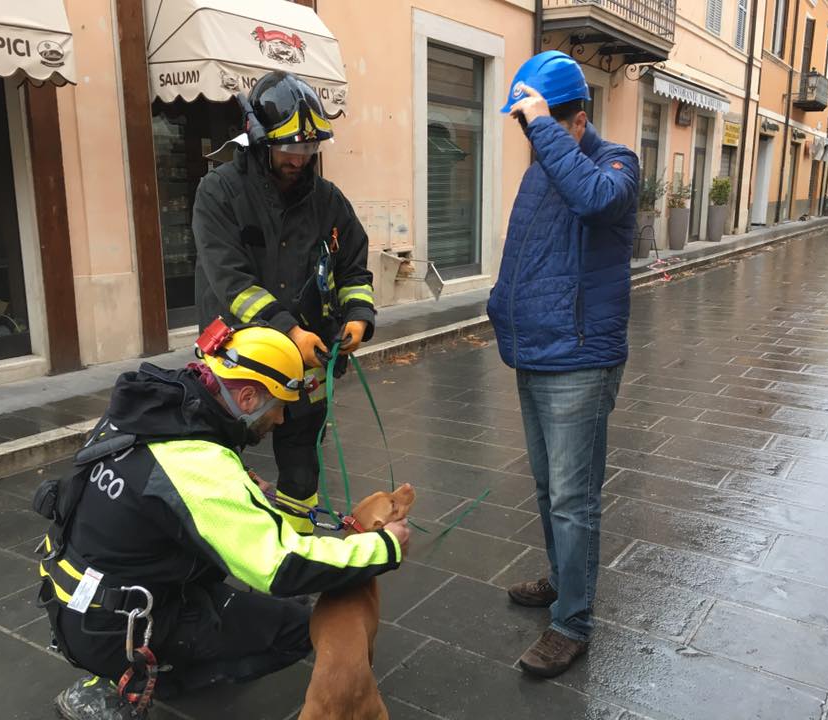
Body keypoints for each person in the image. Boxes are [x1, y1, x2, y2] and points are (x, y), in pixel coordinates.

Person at [36, 324, 410, 719]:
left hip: (78, 603)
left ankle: (116, 667)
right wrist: (383, 546)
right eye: (279, 405)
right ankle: (138, 678)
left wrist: (242, 490)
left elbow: (156, 491)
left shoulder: (149, 406)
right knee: (298, 628)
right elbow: (282, 566)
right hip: (118, 629)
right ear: (247, 397)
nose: (281, 419)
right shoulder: (197, 466)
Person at [486, 51, 639, 678]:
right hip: (536, 351)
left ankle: (572, 622)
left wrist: (545, 127)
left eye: (534, 122)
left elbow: (596, 201)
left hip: (580, 358)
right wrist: (502, 309)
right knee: (551, 491)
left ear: (573, 119)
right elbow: (525, 251)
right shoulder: (542, 168)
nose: (528, 133)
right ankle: (561, 579)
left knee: (575, 500)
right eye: (525, 125)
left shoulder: (616, 163)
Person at [193, 71, 376, 533]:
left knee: (301, 461)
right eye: (290, 151)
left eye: (309, 151)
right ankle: (227, 547)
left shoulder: (329, 201)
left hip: (307, 364)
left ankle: (297, 539)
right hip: (236, 361)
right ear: (258, 140)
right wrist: (288, 330)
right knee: (219, 458)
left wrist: (358, 317)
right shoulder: (219, 193)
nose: (300, 160)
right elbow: (230, 281)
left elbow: (353, 267)